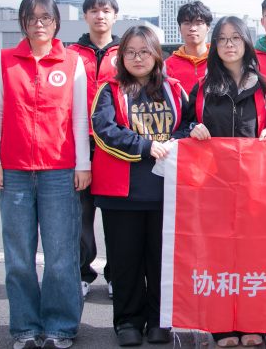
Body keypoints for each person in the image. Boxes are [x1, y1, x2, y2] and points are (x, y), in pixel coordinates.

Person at [0, 0, 91, 349]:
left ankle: (60, 327)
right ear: (22, 23)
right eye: (31, 18)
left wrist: (83, 164)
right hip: (14, 170)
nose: (39, 23)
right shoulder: (5, 61)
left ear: (56, 21)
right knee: (18, 256)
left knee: (61, 255)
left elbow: (79, 117)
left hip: (59, 170)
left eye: (46, 17)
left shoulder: (72, 61)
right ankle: (25, 327)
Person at [91, 26, 189, 346]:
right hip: (121, 193)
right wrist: (146, 146)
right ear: (121, 57)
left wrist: (175, 142)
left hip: (165, 193)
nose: (137, 58)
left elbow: (189, 125)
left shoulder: (175, 89)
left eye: (144, 51)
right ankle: (128, 322)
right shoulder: (109, 90)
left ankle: (161, 321)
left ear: (156, 55)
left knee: (162, 262)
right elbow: (104, 130)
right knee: (125, 263)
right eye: (130, 52)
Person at [187, 16, 266, 347]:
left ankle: (254, 321)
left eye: (235, 38)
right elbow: (182, 126)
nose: (229, 44)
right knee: (219, 256)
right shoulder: (202, 88)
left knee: (256, 255)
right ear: (214, 45)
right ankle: (222, 325)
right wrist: (192, 129)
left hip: (257, 186)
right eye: (222, 38)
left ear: (246, 42)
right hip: (213, 186)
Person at [68, 0, 120, 301]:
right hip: (80, 144)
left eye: (106, 10)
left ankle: (117, 274)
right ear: (85, 16)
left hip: (115, 146)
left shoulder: (126, 52)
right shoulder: (70, 54)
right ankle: (82, 273)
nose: (100, 16)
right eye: (94, 10)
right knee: (80, 215)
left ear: (115, 16)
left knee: (116, 216)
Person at [165, 1, 213, 93]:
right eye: (187, 23)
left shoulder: (218, 61)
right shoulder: (166, 67)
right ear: (180, 28)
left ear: (208, 28)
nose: (192, 28)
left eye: (198, 23)